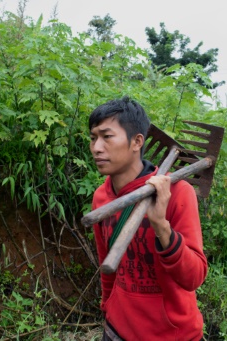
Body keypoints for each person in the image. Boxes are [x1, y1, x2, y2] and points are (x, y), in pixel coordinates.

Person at [89, 97, 208, 340]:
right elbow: (107, 265)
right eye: (93, 137)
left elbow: (194, 277)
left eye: (107, 136)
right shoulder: (102, 197)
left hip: (172, 335)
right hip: (116, 331)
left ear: (137, 141)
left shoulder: (178, 193)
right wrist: (108, 306)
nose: (96, 147)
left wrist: (161, 227)